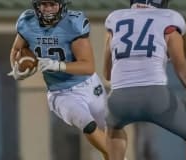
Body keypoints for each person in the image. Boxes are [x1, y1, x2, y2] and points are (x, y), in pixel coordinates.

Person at [103, 0, 186, 160]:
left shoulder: (115, 19)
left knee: (113, 129)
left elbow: (107, 74)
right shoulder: (168, 19)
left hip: (118, 98)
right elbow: (181, 66)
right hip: (155, 96)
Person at [7, 0, 109, 159]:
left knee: (110, 131)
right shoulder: (27, 23)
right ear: (36, 5)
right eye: (43, 4)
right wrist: (16, 68)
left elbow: (88, 67)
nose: (48, 9)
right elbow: (16, 49)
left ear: (62, 5)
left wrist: (58, 66)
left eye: (52, 4)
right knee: (88, 124)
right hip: (60, 92)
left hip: (88, 85)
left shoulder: (73, 24)